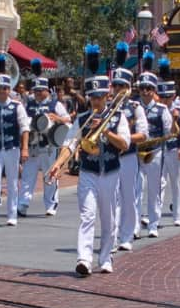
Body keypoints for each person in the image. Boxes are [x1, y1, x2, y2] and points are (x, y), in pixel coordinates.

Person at [47, 71, 130, 276]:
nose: (95, 101)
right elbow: (70, 143)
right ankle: (84, 258)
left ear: (107, 96)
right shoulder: (83, 118)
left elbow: (125, 144)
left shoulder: (118, 117)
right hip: (88, 172)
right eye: (92, 97)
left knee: (108, 217)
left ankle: (105, 258)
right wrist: (58, 164)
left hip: (110, 172)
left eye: (99, 97)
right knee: (87, 215)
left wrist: (105, 132)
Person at [0, 72, 30, 228]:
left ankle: (12, 214)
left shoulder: (17, 106)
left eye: (6, 88)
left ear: (9, 89)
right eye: (0, 88)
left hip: (12, 147)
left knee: (12, 182)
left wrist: (25, 149)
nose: (3, 91)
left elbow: (24, 128)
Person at [112, 51, 148, 251]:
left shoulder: (135, 108)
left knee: (128, 197)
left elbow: (143, 134)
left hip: (128, 157)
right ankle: (113, 237)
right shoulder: (108, 107)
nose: (118, 89)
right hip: (110, 158)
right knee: (112, 200)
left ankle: (126, 236)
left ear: (128, 88)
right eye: (115, 85)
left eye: (122, 86)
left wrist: (123, 140)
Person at [20, 74, 70, 217]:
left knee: (50, 176)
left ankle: (51, 204)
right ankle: (23, 203)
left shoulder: (55, 104)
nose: (37, 93)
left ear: (46, 90)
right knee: (27, 175)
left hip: (49, 145)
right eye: (35, 90)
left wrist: (57, 118)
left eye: (40, 90)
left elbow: (68, 119)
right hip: (33, 145)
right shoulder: (29, 104)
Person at [136, 69, 171, 237]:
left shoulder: (162, 109)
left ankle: (153, 224)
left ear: (154, 90)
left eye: (148, 88)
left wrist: (156, 142)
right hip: (136, 153)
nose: (144, 91)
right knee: (136, 190)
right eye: (142, 88)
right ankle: (135, 225)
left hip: (155, 152)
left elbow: (168, 132)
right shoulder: (134, 107)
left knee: (153, 190)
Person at [159, 78, 180, 227]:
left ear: (173, 96)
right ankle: (156, 214)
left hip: (174, 149)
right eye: (162, 96)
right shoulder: (157, 110)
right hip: (158, 150)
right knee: (159, 184)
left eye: (168, 97)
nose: (165, 100)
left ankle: (178, 215)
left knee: (176, 184)